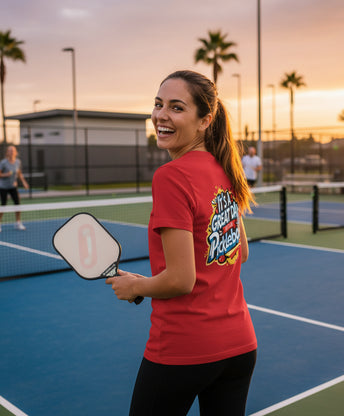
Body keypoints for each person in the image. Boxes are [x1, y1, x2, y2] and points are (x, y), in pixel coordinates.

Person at [106, 70, 257, 416]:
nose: (161, 115)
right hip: (239, 346)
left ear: (205, 120)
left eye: (176, 108)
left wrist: (136, 286)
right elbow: (241, 252)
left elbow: (180, 280)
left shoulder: (171, 176)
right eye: (158, 105)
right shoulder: (225, 168)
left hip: (184, 347)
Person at [0, 145, 29, 232]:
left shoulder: (18, 162)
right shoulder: (3, 163)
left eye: (13, 150)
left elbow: (19, 173)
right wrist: (6, 175)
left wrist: (24, 182)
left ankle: (18, 223)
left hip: (13, 186)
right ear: (7, 153)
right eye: (10, 150)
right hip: (3, 187)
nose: (12, 152)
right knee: (3, 205)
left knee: (17, 204)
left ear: (16, 152)